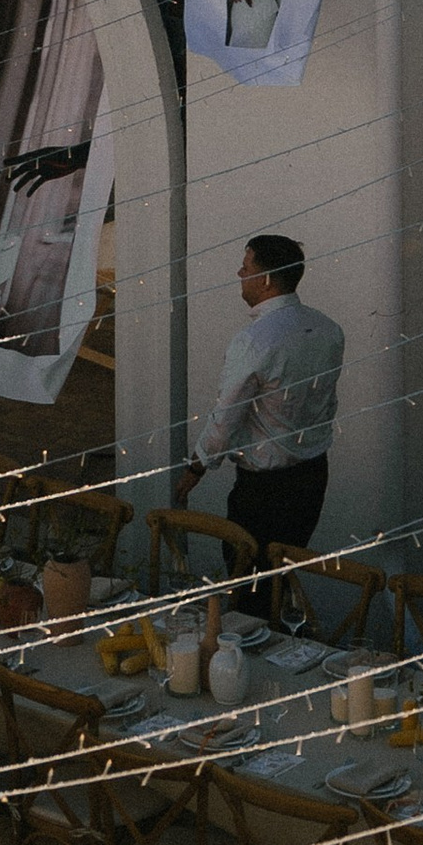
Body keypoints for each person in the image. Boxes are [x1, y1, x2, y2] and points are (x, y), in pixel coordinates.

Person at [173, 231, 345, 585]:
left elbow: (226, 415)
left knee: (248, 579)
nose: (239, 274)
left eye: (245, 266)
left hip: (264, 488)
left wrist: (197, 466)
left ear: (265, 279)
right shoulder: (329, 329)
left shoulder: (254, 341)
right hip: (312, 476)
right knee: (283, 576)